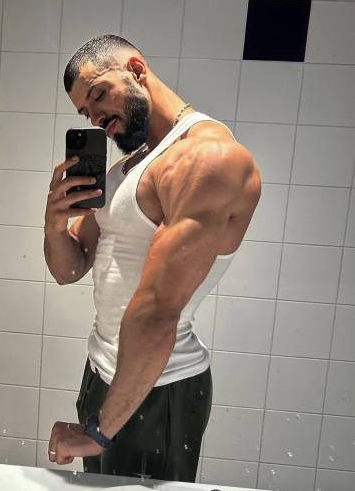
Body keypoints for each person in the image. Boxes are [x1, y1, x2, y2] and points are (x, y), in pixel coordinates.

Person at [43, 34, 261, 483]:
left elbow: (159, 311)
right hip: (103, 372)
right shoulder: (130, 166)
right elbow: (70, 268)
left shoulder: (207, 158)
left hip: (157, 387)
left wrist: (100, 432)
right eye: (85, 112)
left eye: (99, 95)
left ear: (136, 70)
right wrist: (54, 224)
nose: (96, 118)